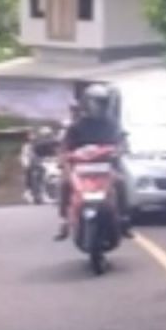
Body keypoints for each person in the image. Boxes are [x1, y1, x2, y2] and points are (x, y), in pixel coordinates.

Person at [55, 84, 131, 241]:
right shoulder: (76, 126)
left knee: (121, 183)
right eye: (96, 102)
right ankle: (63, 221)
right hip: (82, 168)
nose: (99, 106)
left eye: (103, 102)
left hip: (106, 167)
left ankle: (123, 219)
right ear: (87, 103)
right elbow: (65, 147)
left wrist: (121, 150)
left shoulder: (112, 124)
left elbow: (122, 141)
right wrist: (63, 159)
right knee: (64, 183)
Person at [22, 125, 60, 201]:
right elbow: (34, 154)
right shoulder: (37, 144)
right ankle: (33, 192)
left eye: (48, 135)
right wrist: (37, 160)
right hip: (42, 163)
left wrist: (58, 157)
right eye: (45, 135)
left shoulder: (55, 142)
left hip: (53, 162)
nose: (47, 137)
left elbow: (59, 152)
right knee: (35, 173)